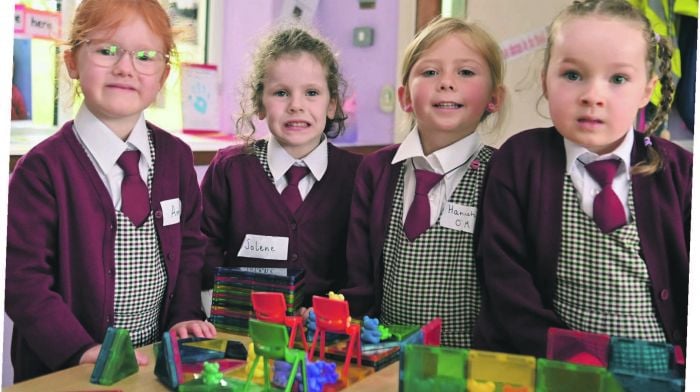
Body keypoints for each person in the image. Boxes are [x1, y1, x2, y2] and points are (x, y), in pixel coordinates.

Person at [5, 0, 215, 382]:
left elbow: (190, 248)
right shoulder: (42, 170)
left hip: (154, 367)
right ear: (71, 62)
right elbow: (23, 282)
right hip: (68, 371)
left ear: (164, 74)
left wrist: (186, 314)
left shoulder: (177, 158)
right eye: (106, 50)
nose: (125, 68)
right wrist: (80, 350)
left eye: (145, 56)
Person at [473, 0, 691, 358]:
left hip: (659, 370)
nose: (592, 96)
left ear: (646, 90)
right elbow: (504, 277)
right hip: (551, 365)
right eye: (573, 75)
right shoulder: (519, 160)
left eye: (618, 79)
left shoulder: (682, 173)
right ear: (545, 81)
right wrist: (566, 355)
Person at [342, 17, 506, 348]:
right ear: (404, 97)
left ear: (494, 98)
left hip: (469, 359)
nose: (446, 82)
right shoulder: (376, 170)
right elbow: (359, 273)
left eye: (466, 72)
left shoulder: (503, 173)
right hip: (383, 354)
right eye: (430, 72)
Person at [200, 26, 361, 307]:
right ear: (260, 104)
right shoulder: (230, 169)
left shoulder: (358, 176)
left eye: (311, 92)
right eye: (281, 93)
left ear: (332, 105)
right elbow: (204, 250)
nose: (296, 105)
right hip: (241, 329)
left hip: (327, 336)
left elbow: (363, 267)